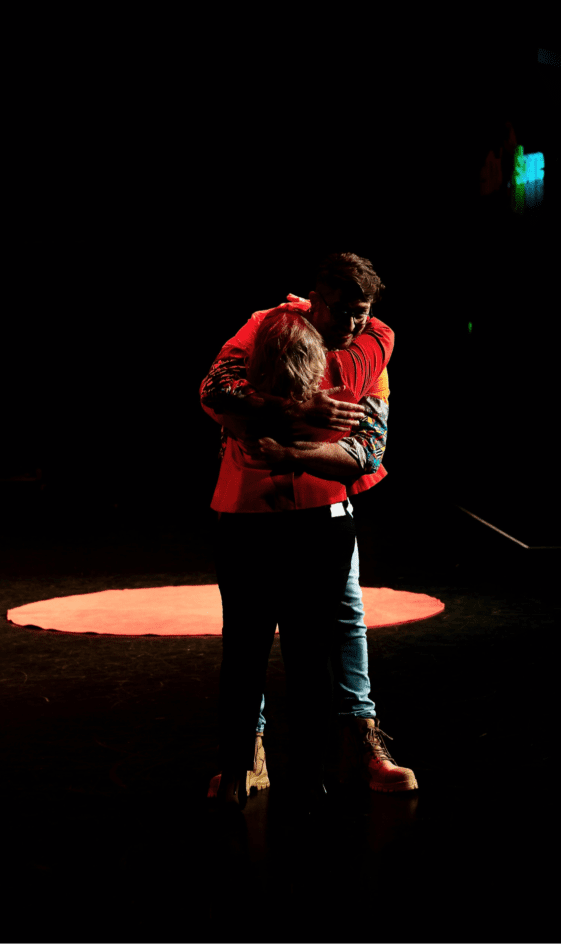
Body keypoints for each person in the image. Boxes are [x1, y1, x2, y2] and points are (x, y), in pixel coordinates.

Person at [199, 252, 418, 811]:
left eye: (361, 314)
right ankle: (247, 751)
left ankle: (354, 739)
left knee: (339, 622)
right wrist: (294, 407)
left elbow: (366, 449)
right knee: (247, 639)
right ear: (316, 301)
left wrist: (293, 443)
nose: (352, 325)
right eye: (342, 312)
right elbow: (214, 390)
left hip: (324, 513)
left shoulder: (368, 352)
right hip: (249, 510)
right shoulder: (267, 327)